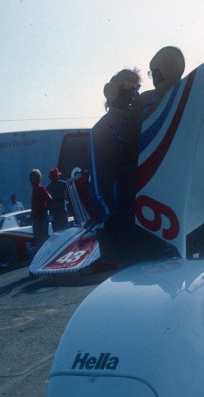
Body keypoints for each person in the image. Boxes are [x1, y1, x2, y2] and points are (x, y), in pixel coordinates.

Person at [91, 68, 144, 265]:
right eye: (129, 85)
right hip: (122, 219)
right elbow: (99, 183)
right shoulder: (102, 129)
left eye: (137, 86)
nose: (134, 91)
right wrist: (110, 218)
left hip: (148, 214)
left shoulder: (144, 121)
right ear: (113, 90)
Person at [139, 46, 185, 119]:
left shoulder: (191, 94)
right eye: (152, 71)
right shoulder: (144, 98)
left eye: (157, 70)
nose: (155, 75)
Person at [29, 169, 52, 250]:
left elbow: (49, 199)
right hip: (37, 219)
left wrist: (43, 213)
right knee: (39, 242)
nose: (29, 180)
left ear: (35, 179)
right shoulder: (36, 189)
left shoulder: (40, 188)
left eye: (31, 178)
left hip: (40, 220)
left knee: (41, 242)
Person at [47, 168, 69, 232]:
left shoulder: (47, 188)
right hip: (62, 213)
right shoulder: (63, 184)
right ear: (57, 176)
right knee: (65, 232)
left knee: (57, 233)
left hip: (54, 215)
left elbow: (48, 203)